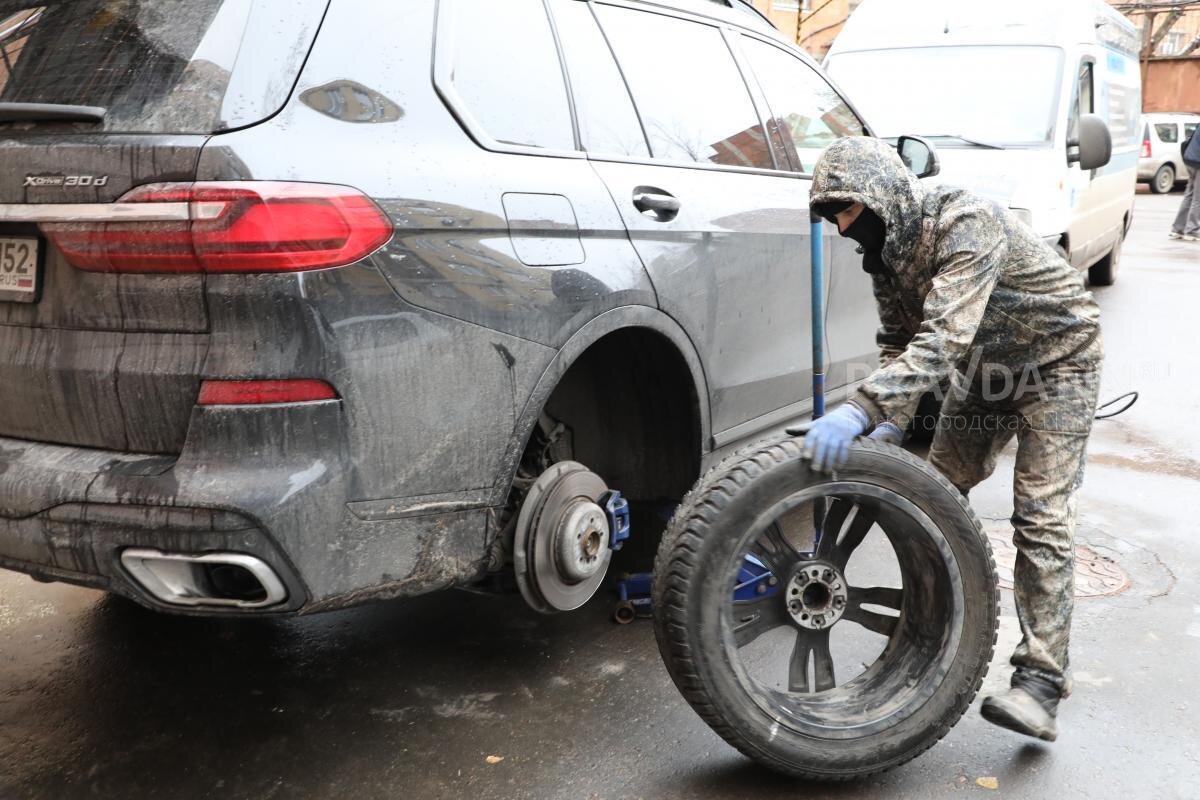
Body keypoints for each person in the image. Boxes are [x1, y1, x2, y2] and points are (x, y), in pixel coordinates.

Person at [800, 137, 1102, 742]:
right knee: (936, 496)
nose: (843, 226)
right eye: (834, 216)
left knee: (1041, 516)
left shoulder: (968, 221)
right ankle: (932, 631)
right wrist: (891, 419)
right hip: (986, 372)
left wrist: (860, 409)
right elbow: (898, 342)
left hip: (1057, 364)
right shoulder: (886, 255)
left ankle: (1041, 682)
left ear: (884, 196)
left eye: (849, 211)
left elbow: (941, 340)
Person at [1169, 123, 1200, 241]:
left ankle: (1177, 229)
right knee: (1198, 198)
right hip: (1198, 162)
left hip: (1190, 160)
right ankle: (1192, 231)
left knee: (1189, 195)